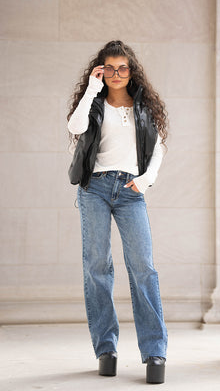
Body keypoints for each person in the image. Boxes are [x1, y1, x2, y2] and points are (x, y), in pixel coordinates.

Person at [67, 40, 169, 384]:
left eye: (122, 68)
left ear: (131, 71)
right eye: (108, 68)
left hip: (130, 191)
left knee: (143, 268)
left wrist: (146, 180)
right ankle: (105, 349)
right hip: (94, 188)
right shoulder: (94, 103)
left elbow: (159, 147)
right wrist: (92, 89)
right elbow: (76, 128)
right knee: (97, 267)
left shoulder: (144, 106)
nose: (115, 74)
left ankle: (155, 352)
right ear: (101, 70)